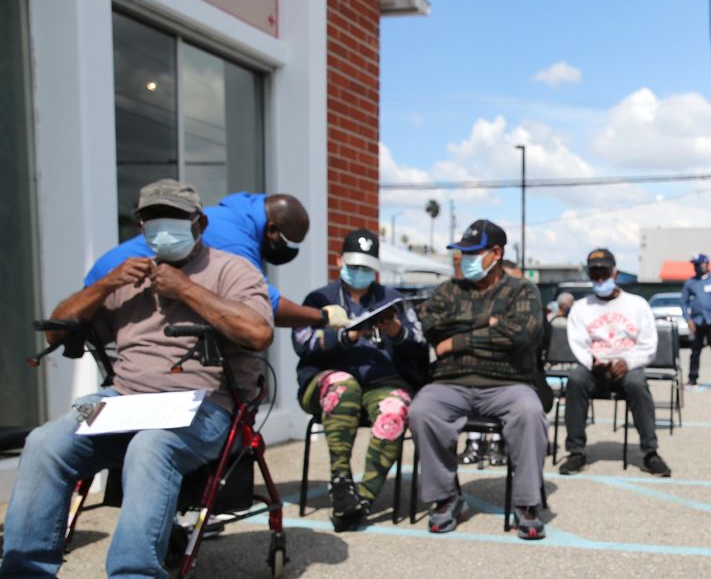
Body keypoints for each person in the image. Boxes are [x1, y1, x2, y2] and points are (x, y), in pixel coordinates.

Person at [1, 180, 273, 577]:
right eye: (153, 220)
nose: (164, 228)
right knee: (44, 443)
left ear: (199, 223)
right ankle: (25, 570)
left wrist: (186, 289)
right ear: (141, 224)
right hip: (124, 398)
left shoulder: (232, 269)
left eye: (176, 219)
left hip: (204, 403)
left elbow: (258, 333)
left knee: (151, 446)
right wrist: (107, 284)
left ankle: (135, 572)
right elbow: (56, 331)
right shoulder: (125, 274)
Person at [407, 220, 548, 540]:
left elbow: (522, 334)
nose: (466, 259)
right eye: (463, 253)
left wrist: (458, 341)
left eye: (474, 252)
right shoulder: (448, 290)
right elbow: (431, 326)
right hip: (450, 382)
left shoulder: (522, 289)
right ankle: (446, 497)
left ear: (496, 253)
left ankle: (527, 504)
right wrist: (492, 322)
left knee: (529, 412)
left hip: (507, 383)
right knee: (422, 411)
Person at [292, 229, 427, 532]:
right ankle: (341, 481)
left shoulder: (394, 300)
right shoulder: (318, 298)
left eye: (366, 267)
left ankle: (361, 500)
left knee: (396, 407)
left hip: (382, 382)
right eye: (353, 265)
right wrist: (344, 336)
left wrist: (396, 332)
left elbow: (419, 344)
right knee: (344, 386)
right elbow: (302, 341)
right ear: (339, 260)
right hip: (326, 383)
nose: (359, 272)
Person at [84, 190, 323, 328]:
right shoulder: (233, 237)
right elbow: (265, 309)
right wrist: (323, 318)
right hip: (115, 301)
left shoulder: (237, 219)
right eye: (290, 244)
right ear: (271, 230)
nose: (291, 251)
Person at [558, 248, 672, 477]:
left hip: (627, 367)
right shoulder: (581, 308)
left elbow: (648, 344)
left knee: (637, 385)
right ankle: (576, 452)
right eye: (595, 274)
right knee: (575, 379)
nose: (600, 279)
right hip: (595, 368)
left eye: (604, 273)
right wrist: (593, 362)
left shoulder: (637, 304)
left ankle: (651, 452)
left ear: (615, 273)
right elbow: (578, 343)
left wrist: (628, 362)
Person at [681, 253, 711, 388]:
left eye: (698, 264)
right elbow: (683, 302)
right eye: (694, 265)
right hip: (697, 322)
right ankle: (692, 379)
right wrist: (688, 319)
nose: (696, 267)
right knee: (695, 352)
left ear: (706, 264)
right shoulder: (690, 282)